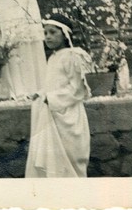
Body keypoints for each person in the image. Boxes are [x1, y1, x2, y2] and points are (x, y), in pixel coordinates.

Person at [25, 14, 93, 178]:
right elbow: (54, 84)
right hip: (53, 114)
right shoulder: (53, 58)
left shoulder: (72, 56)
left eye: (53, 32)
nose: (47, 36)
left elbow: (77, 90)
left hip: (68, 115)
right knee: (53, 158)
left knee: (71, 156)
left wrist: (51, 98)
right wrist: (41, 94)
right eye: (45, 32)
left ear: (65, 34)